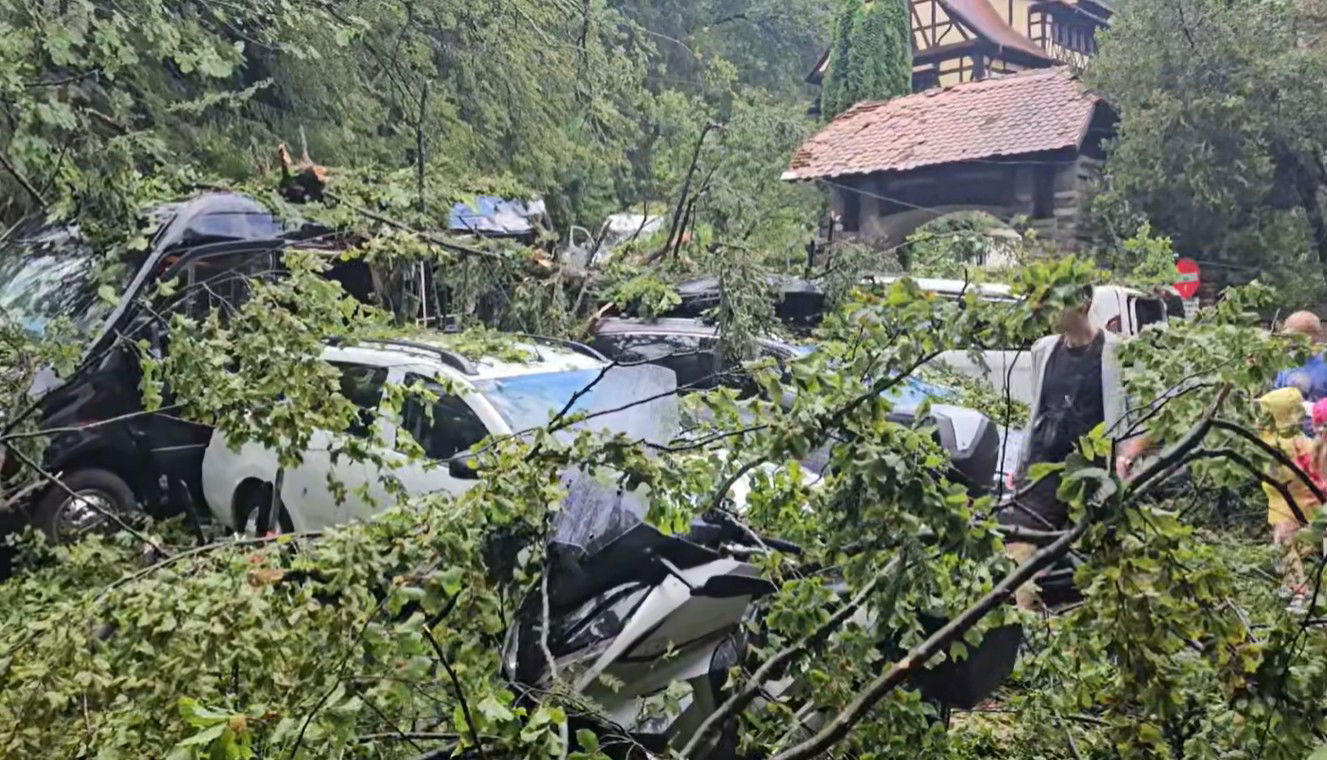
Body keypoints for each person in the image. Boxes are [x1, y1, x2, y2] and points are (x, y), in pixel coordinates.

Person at [1001, 286, 1145, 608]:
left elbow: (1144, 418)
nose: (1048, 311)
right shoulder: (1043, 350)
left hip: (1096, 476)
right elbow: (1038, 411)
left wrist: (1125, 461)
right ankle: (1030, 633)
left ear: (1083, 303)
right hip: (1043, 470)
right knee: (1019, 558)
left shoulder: (1117, 353)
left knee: (1104, 568)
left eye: (1055, 304)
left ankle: (1098, 631)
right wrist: (1020, 462)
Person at [1259, 387, 1324, 612]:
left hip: (1295, 502)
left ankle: (1300, 594)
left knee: (1288, 546)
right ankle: (1293, 583)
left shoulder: (1288, 443)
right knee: (1286, 544)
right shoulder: (1273, 437)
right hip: (1282, 501)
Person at [1275, 311, 1327, 403]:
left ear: (1316, 335)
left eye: (1296, 336)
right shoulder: (1286, 362)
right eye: (1288, 337)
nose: (1290, 341)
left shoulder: (1324, 362)